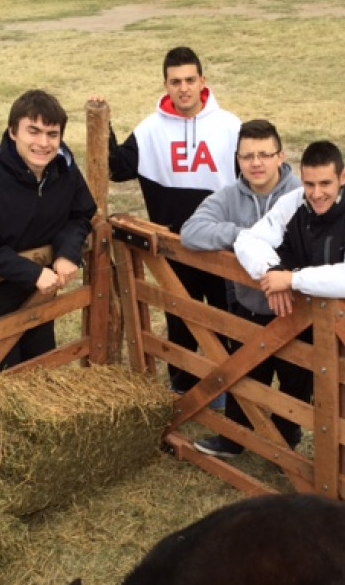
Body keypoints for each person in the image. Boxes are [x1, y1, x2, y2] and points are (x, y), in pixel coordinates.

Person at [234, 140, 345, 487]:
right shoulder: (295, 202)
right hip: (315, 320)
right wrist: (272, 272)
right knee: (318, 386)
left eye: (325, 184)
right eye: (309, 184)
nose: (316, 193)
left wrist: (293, 279)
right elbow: (248, 240)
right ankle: (326, 468)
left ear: (343, 178)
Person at [96, 46, 240, 395]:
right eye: (176, 81)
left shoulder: (231, 127)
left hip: (221, 245)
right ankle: (183, 387)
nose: (184, 88)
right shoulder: (150, 131)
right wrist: (103, 122)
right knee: (180, 319)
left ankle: (226, 391)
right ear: (166, 85)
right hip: (175, 248)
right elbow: (118, 167)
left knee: (224, 319)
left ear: (203, 81)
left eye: (190, 80)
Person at [180, 119, 304, 457]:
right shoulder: (229, 196)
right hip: (249, 307)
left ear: (281, 156)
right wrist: (242, 237)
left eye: (265, 154)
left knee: (295, 382)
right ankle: (234, 439)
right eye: (248, 156)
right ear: (237, 159)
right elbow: (191, 232)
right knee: (244, 375)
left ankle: (286, 442)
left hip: (299, 312)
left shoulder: (301, 193)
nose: (256, 163)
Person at [0, 89, 97, 369]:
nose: (43, 143)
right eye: (33, 131)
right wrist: (33, 273)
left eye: (52, 134)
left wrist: (68, 252)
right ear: (12, 132)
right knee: (3, 382)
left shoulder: (64, 169)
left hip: (41, 298)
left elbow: (81, 213)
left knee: (43, 370)